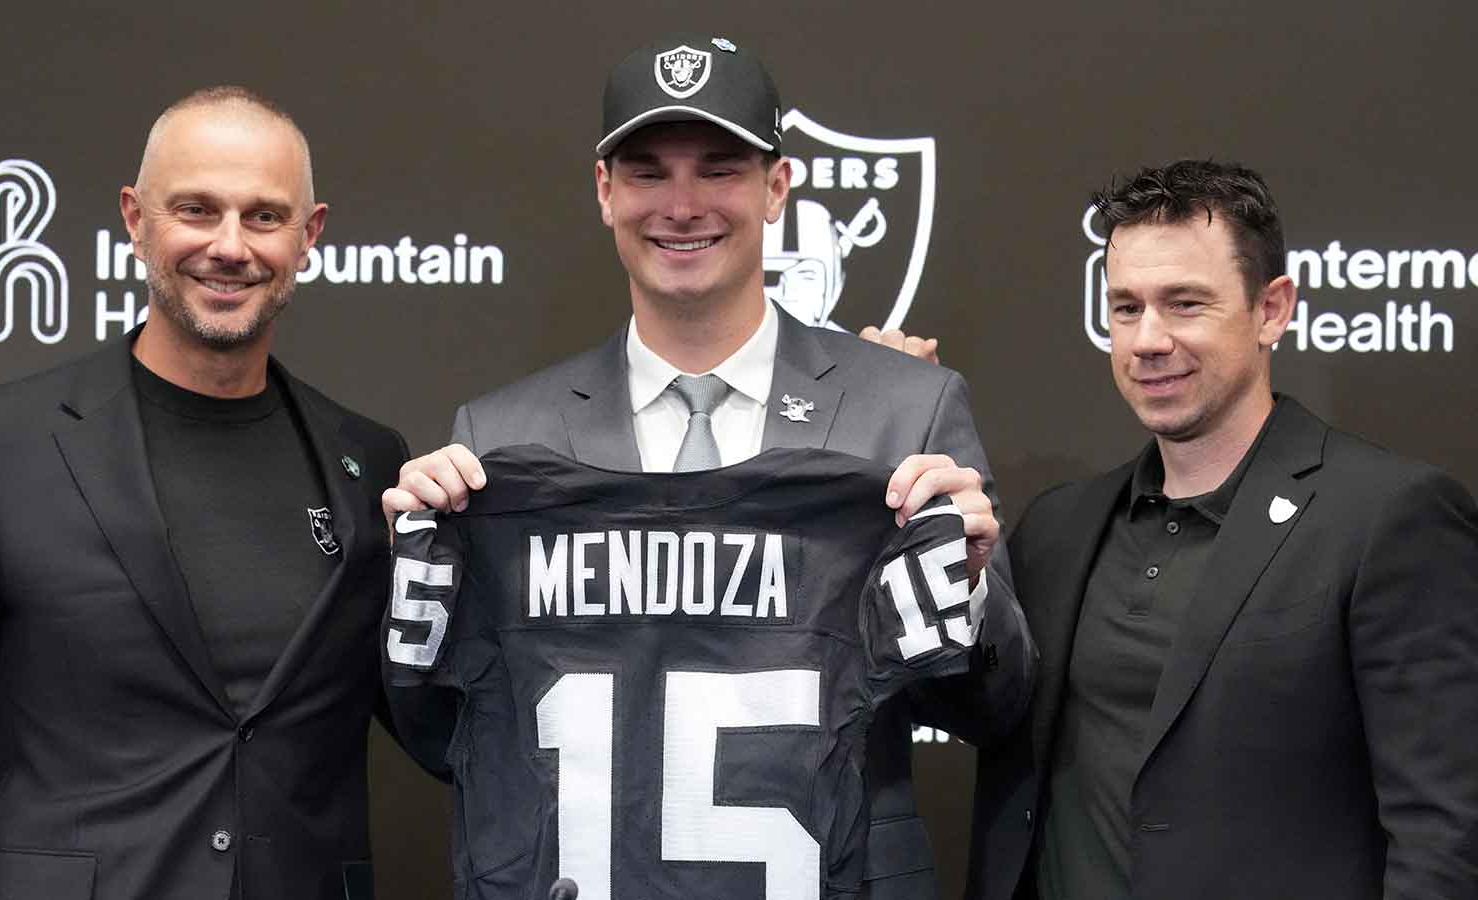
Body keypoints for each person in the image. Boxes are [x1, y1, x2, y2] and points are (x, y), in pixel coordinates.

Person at [383, 35, 1033, 899]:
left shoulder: (903, 411)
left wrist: (970, 589)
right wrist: (422, 592)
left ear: (777, 189)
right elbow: (448, 738)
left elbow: (995, 712)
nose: (682, 205)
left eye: (720, 169)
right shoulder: (501, 438)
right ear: (605, 192)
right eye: (648, 172)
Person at [0, 87, 433, 900]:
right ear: (136, 219)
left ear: (309, 235)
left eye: (264, 216)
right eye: (197, 210)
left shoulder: (370, 459)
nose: (230, 246)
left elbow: (435, 723)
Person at [965, 160, 1478, 899]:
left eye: (1184, 304)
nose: (1147, 339)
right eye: (1125, 307)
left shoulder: (1390, 517)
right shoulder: (1057, 527)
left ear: (1272, 309)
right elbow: (982, 719)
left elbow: (1444, 833)